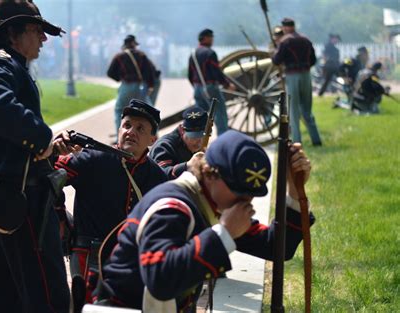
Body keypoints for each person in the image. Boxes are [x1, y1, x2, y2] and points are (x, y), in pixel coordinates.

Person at [96, 130, 315, 311]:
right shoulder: (172, 208)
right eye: (239, 191)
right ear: (210, 174)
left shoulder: (211, 204)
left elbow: (276, 247)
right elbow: (159, 280)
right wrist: (224, 234)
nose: (245, 201)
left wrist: (295, 193)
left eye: (250, 194)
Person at [0, 1, 70, 312]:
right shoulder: (0, 65)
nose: (43, 39)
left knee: (2, 299)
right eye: (37, 31)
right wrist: (42, 138)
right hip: (20, 202)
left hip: (1, 197)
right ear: (12, 33)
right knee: (45, 296)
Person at [54, 99, 167, 312]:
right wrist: (60, 216)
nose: (131, 132)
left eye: (140, 128)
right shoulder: (94, 158)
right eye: (127, 125)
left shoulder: (157, 177)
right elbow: (51, 176)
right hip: (89, 255)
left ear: (152, 139)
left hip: (131, 259)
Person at [272, 18, 322, 146]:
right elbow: (313, 60)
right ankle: (316, 140)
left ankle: (297, 141)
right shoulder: (306, 39)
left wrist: (275, 50)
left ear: (284, 28)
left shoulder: (285, 41)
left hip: (292, 76)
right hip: (306, 75)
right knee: (307, 110)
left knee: (293, 111)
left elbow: (276, 60)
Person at [107, 35, 158, 137]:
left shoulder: (119, 56)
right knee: (149, 111)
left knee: (120, 110)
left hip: (126, 86)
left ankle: (120, 137)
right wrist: (150, 86)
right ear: (134, 44)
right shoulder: (141, 55)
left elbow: (110, 73)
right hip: (140, 87)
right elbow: (149, 72)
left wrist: (119, 78)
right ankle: (152, 136)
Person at [188, 29, 235, 135]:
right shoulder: (210, 53)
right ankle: (222, 140)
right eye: (211, 37)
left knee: (199, 116)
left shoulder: (193, 54)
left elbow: (190, 75)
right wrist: (227, 84)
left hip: (197, 88)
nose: (212, 39)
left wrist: (197, 88)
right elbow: (216, 73)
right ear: (205, 38)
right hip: (210, 88)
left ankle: (195, 139)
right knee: (220, 115)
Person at [149, 106, 208, 180]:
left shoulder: (195, 144)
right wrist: (187, 166)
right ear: (182, 130)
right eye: (194, 137)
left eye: (202, 136)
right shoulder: (164, 146)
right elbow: (162, 173)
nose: (199, 142)